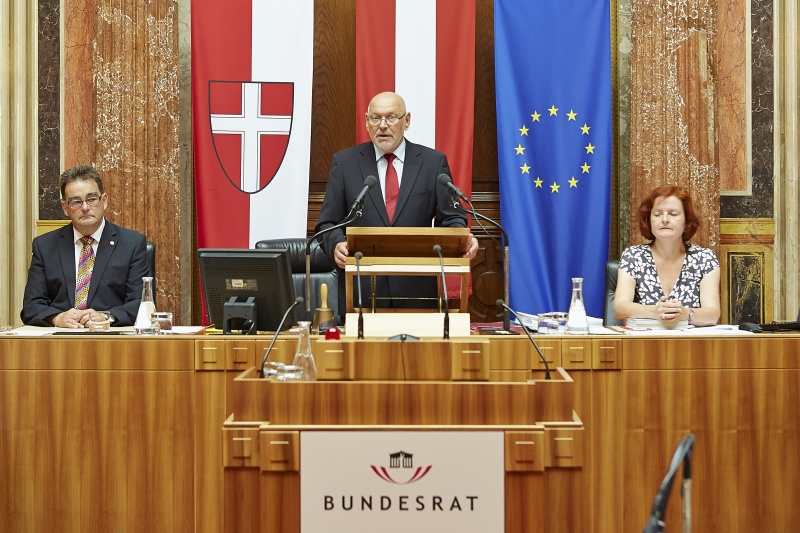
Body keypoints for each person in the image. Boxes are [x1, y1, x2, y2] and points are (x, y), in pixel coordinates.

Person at [315, 92, 478, 315]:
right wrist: (336, 245)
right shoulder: (345, 163)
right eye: (375, 118)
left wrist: (462, 239)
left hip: (417, 290)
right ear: (366, 121)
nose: (383, 125)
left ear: (407, 120)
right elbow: (327, 224)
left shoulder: (432, 163)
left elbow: (452, 217)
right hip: (362, 291)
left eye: (391, 117)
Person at [20, 165, 150, 328]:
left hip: (111, 339)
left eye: (92, 199)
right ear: (64, 207)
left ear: (105, 201)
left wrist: (105, 317)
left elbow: (141, 303)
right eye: (76, 202)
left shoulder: (132, 244)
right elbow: (31, 306)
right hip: (59, 341)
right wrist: (57, 318)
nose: (85, 207)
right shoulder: (45, 246)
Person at [614, 185, 721, 327]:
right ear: (649, 220)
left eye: (673, 214)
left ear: (686, 221)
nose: (664, 219)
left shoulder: (705, 258)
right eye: (657, 214)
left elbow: (713, 314)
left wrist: (686, 314)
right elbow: (619, 308)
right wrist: (656, 312)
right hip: (644, 344)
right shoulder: (633, 256)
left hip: (691, 345)